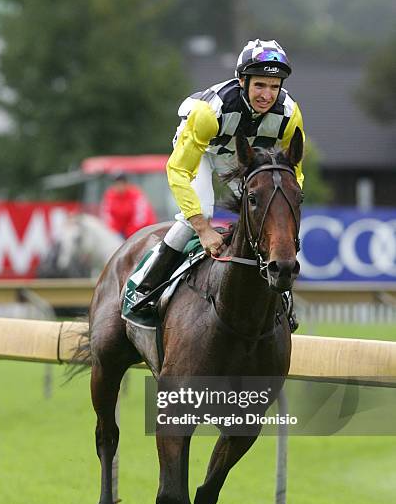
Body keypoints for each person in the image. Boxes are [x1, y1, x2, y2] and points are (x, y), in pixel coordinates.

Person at [132, 39, 305, 312]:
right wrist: (202, 228)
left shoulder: (290, 115)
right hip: (201, 150)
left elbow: (293, 174)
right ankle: (145, 287)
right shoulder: (207, 113)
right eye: (259, 85)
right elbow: (176, 170)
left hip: (237, 154)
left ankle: (277, 294)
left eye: (274, 87)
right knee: (202, 211)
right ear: (242, 80)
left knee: (267, 203)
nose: (267, 95)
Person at [101, 172, 157, 239]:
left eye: (121, 183)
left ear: (126, 184)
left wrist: (129, 233)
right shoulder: (109, 196)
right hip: (120, 232)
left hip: (141, 231)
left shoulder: (136, 195)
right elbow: (107, 216)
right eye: (116, 183)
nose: (119, 186)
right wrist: (114, 232)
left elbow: (140, 218)